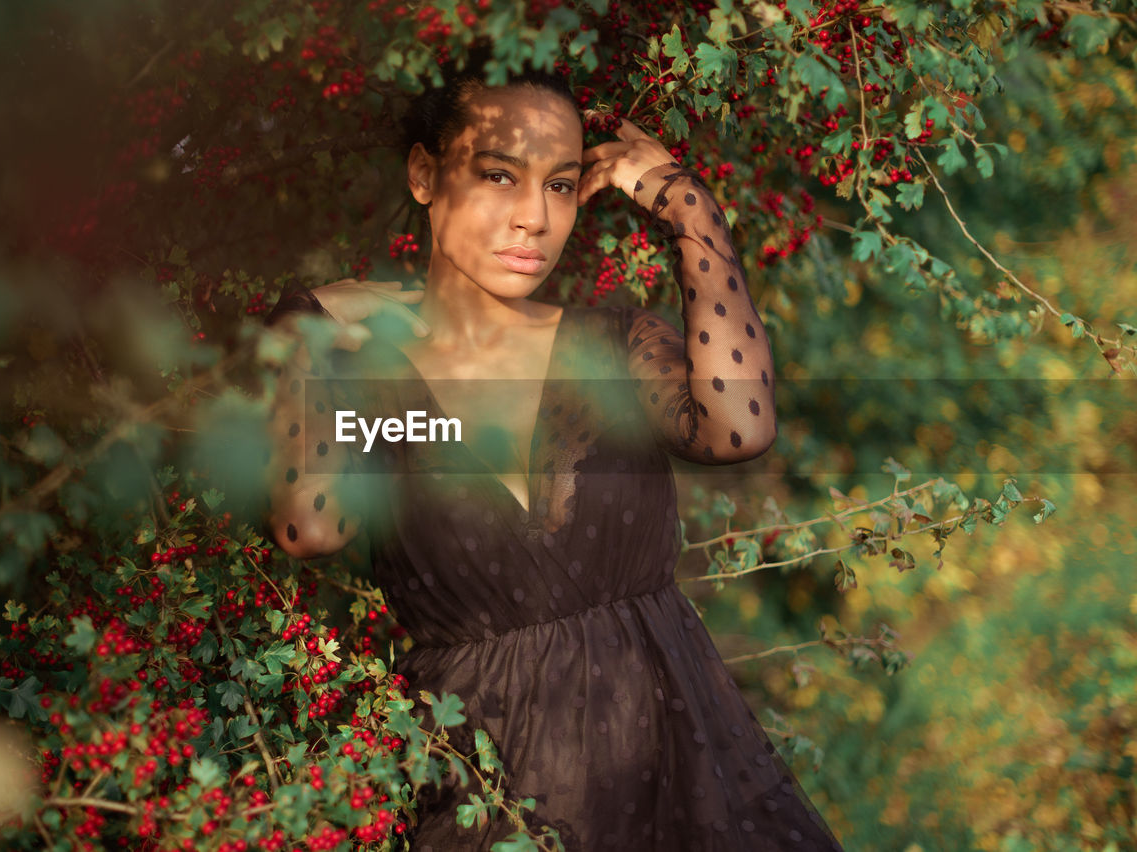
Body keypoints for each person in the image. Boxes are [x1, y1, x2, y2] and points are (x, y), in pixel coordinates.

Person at [265, 56, 845, 852]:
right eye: (500, 175)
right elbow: (312, 526)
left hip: (679, 780)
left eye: (562, 184)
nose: (534, 218)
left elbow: (737, 427)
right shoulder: (359, 361)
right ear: (425, 174)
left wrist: (688, 208)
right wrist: (322, 341)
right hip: (484, 794)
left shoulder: (609, 345)